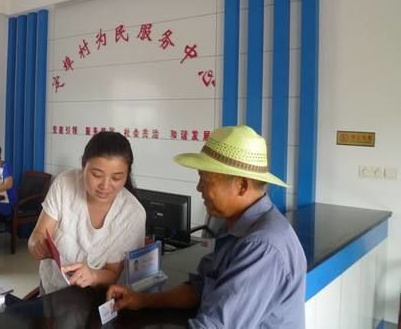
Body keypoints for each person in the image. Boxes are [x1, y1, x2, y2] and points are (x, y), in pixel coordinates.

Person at [107, 125, 307, 329]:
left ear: (242, 186)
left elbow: (215, 326)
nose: (199, 187)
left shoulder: (263, 247)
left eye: (206, 179)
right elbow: (201, 288)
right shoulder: (233, 226)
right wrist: (142, 300)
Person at [28, 131, 146, 294]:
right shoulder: (64, 184)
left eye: (116, 178)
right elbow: (38, 234)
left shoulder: (132, 214)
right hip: (51, 288)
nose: (105, 186)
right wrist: (36, 245)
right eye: (97, 175)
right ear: (83, 166)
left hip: (94, 297)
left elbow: (113, 274)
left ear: (127, 175)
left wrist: (93, 276)